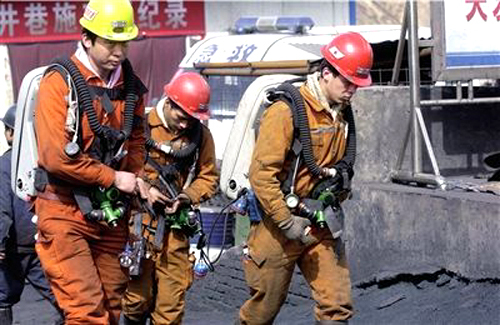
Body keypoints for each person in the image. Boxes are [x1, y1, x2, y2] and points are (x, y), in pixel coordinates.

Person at [238, 32, 374, 324]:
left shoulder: (340, 113)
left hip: (320, 222)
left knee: (337, 307)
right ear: (326, 73)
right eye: (347, 82)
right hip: (278, 223)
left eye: (357, 84)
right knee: (262, 312)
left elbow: (341, 164)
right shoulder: (286, 111)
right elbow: (261, 175)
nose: (352, 90)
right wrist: (287, 222)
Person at [33, 0, 149, 323]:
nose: (119, 51)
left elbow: (136, 141)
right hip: (63, 210)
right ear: (87, 38)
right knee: (86, 313)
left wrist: (137, 179)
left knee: (111, 311)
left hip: (110, 215)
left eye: (124, 43)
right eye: (111, 42)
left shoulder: (131, 88)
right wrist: (114, 177)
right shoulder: (60, 81)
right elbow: (55, 157)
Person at [121, 72, 219, 324]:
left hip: (174, 231)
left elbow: (208, 177)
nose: (186, 124)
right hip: (137, 225)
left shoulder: (200, 136)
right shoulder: (139, 126)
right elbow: (119, 169)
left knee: (170, 308)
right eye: (182, 116)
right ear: (169, 102)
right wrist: (141, 188)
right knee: (135, 300)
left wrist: (185, 197)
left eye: (192, 118)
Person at [0, 104, 64, 325]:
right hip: (41, 240)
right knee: (60, 294)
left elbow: (3, 209)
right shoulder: (46, 161)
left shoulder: (4, 165)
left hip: (13, 246)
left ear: (9, 133)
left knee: (2, 300)